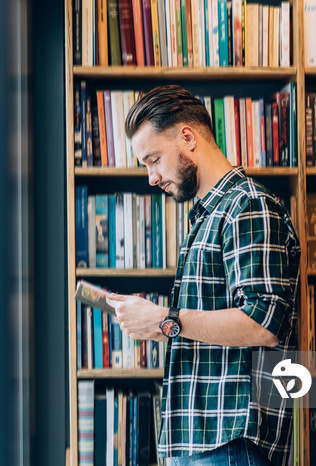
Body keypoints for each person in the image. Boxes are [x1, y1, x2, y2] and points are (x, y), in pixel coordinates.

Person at [107, 85, 300, 466]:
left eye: (154, 159)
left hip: (230, 443)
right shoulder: (207, 216)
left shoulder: (248, 206)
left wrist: (164, 321)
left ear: (187, 138)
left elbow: (264, 323)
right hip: (203, 444)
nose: (151, 177)